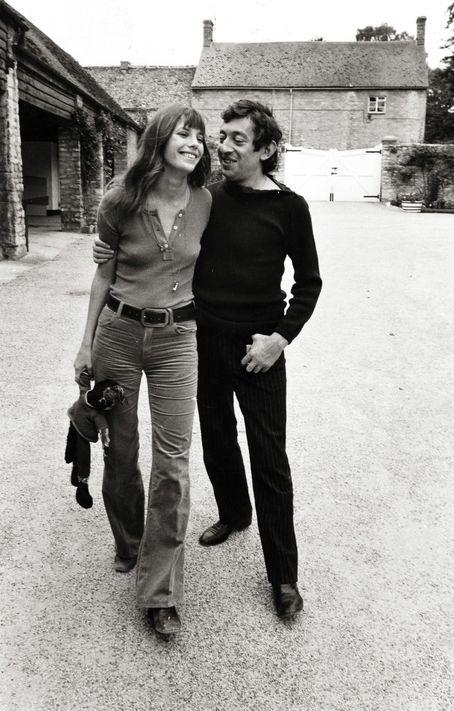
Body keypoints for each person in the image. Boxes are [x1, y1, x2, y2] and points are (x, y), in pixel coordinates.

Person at [94, 99, 322, 621]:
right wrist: (114, 256)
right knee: (218, 440)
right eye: (224, 136)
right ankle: (234, 514)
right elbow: (167, 248)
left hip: (258, 348)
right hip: (202, 340)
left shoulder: (291, 207)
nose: (224, 147)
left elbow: (309, 283)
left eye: (239, 139)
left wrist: (280, 339)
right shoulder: (209, 198)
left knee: (269, 456)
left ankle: (283, 574)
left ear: (267, 150)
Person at [74, 103, 212, 638]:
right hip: (120, 335)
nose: (195, 143)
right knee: (121, 449)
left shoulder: (205, 201)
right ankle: (129, 541)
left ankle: (160, 591)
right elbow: (102, 276)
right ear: (159, 139)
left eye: (200, 137)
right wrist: (85, 345)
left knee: (173, 460)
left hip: (180, 337)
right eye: (185, 132)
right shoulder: (119, 200)